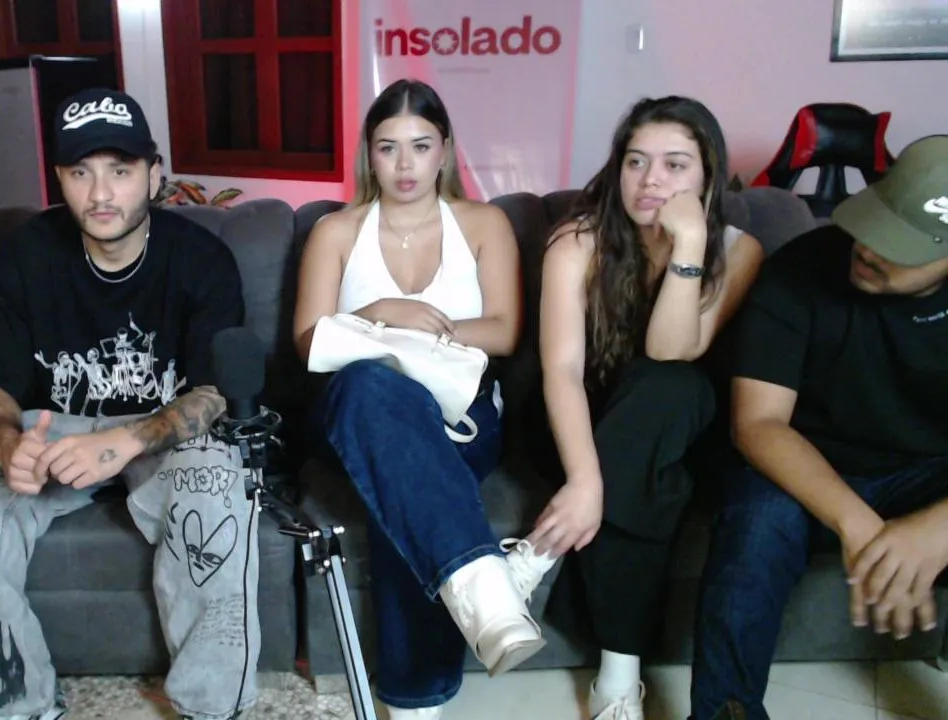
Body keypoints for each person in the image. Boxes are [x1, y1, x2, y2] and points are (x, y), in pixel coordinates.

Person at [0, 88, 255, 720]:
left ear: (154, 175)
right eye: (80, 173)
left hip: (159, 429)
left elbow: (214, 394)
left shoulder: (201, 258)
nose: (100, 194)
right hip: (51, 427)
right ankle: (14, 705)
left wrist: (125, 440)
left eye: (120, 171)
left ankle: (212, 707)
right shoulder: (22, 255)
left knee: (218, 477)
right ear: (59, 179)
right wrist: (6, 444)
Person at [690, 135, 948, 720]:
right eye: (873, 223)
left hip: (930, 473)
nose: (869, 249)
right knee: (754, 526)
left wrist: (936, 529)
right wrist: (859, 524)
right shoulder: (800, 270)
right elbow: (758, 424)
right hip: (806, 461)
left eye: (900, 246)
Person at [293, 78, 525, 719]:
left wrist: (420, 335)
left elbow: (505, 330)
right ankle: (487, 583)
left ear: (444, 150)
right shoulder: (336, 230)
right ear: (369, 153)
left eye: (420, 146)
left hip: (462, 407)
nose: (404, 164)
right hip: (356, 407)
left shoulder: (483, 223)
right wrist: (381, 313)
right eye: (388, 147)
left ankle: (417, 706)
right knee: (374, 394)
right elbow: (308, 340)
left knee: (401, 475)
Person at [530, 95, 764, 719]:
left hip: (674, 423)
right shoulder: (577, 241)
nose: (650, 180)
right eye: (636, 161)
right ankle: (618, 677)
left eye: (675, 165)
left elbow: (671, 350)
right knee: (650, 475)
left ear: (708, 178)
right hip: (580, 418)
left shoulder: (738, 250)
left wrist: (689, 242)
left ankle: (536, 561)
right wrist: (585, 479)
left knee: (672, 388)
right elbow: (561, 370)